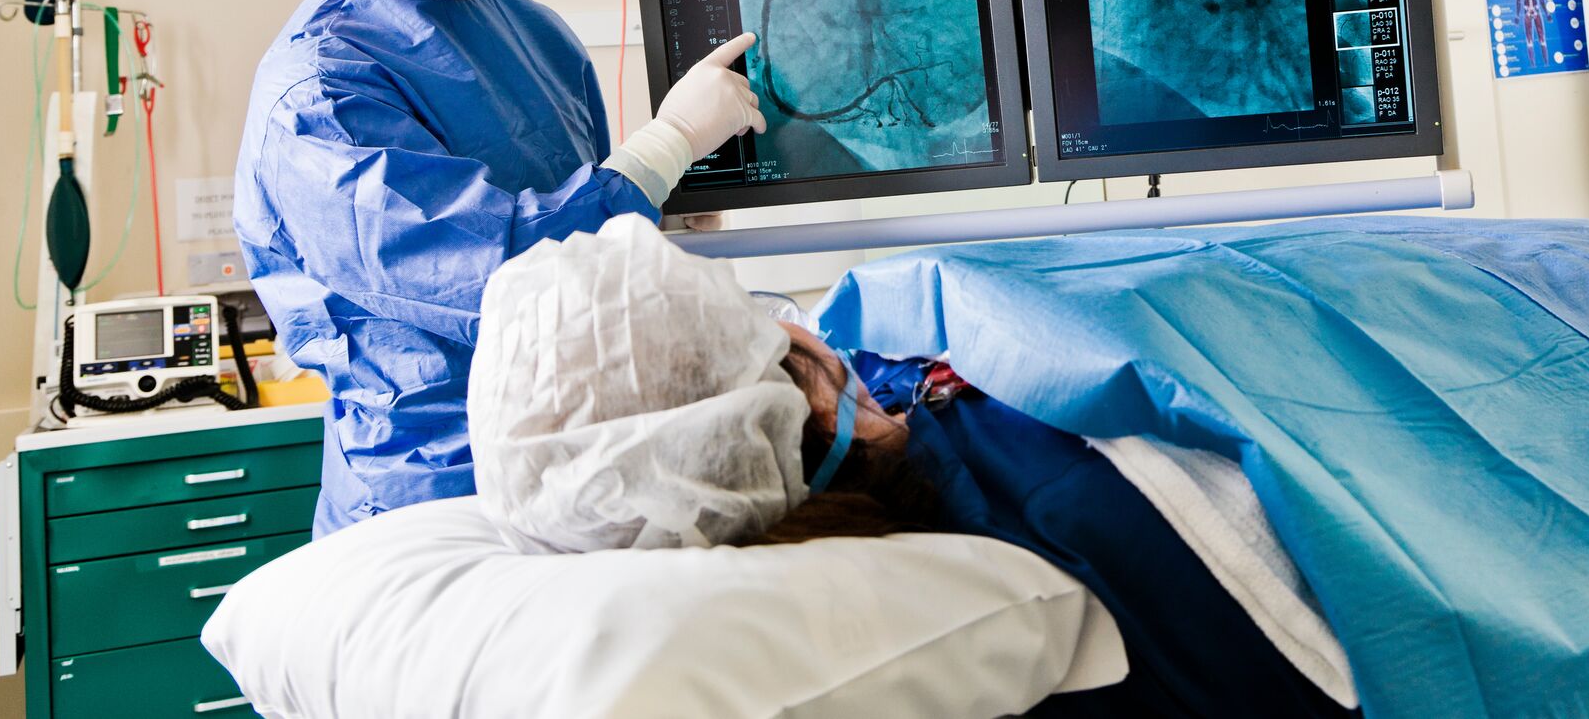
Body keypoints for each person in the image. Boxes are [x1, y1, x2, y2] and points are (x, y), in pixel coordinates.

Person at [469, 219, 1351, 718]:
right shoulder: (1072, 502)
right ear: (801, 401)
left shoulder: (863, 394)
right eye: (745, 314)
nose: (792, 320)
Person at [235, 0, 765, 537]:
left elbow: (585, 236)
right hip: (432, 495)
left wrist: (663, 211)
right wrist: (664, 148)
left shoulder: (536, 33)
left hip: (589, 462)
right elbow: (505, 278)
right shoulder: (319, 89)